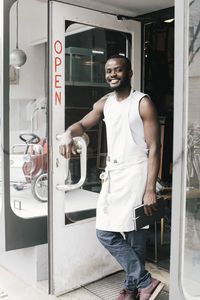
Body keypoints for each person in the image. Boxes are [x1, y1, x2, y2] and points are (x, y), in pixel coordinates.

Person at [59, 55, 164, 300]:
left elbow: (155, 147)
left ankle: (131, 290)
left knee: (135, 236)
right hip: (115, 175)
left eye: (118, 70)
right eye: (108, 71)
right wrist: (67, 133)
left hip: (137, 174)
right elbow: (82, 125)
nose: (112, 75)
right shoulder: (105, 103)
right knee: (105, 232)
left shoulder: (143, 102)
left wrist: (150, 188)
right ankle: (145, 282)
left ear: (129, 72)